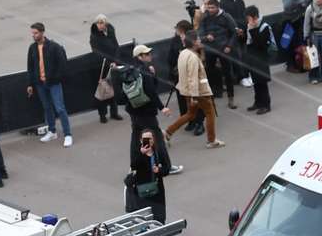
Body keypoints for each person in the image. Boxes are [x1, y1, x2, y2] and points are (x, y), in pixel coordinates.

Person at [116, 45, 179, 175]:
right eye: (146, 54)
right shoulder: (144, 70)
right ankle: (166, 167)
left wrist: (152, 75)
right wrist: (162, 107)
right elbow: (151, 91)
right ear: (140, 56)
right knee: (157, 138)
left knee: (136, 139)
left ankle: (134, 167)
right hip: (146, 111)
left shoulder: (130, 69)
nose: (150, 55)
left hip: (134, 110)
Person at [164, 33, 223, 149]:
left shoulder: (183, 53)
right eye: (199, 39)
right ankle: (211, 141)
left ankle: (168, 132)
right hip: (199, 93)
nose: (200, 41)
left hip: (187, 91)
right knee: (210, 113)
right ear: (194, 42)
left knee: (190, 114)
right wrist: (194, 97)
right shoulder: (193, 58)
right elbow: (193, 78)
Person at [25, 23, 72, 147]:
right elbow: (30, 67)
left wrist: (56, 78)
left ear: (42, 32)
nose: (33, 35)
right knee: (47, 107)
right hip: (40, 83)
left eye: (35, 33)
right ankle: (52, 131)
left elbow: (62, 65)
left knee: (60, 108)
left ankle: (68, 134)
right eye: (32, 33)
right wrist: (30, 84)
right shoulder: (32, 48)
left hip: (53, 83)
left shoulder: (54, 47)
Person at [198, 0, 239, 108]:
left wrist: (229, 46)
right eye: (209, 7)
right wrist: (206, 37)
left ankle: (231, 99)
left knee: (228, 74)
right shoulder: (205, 17)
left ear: (218, 7)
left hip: (223, 49)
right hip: (210, 50)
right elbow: (200, 33)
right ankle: (211, 98)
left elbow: (234, 33)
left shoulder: (226, 17)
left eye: (212, 8)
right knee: (209, 73)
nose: (210, 10)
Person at [127, 129, 170, 222]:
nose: (148, 141)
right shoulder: (138, 152)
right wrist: (142, 154)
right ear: (140, 140)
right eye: (145, 139)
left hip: (157, 191)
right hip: (142, 191)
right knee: (144, 219)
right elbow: (133, 166)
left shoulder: (159, 152)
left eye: (150, 138)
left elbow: (167, 168)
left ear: (153, 139)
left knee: (159, 217)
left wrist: (159, 170)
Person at [89, 14, 123, 123]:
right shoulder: (94, 36)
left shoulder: (111, 31)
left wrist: (115, 61)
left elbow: (116, 46)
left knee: (113, 88)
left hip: (113, 64)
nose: (100, 25)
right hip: (102, 66)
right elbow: (97, 53)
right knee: (103, 89)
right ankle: (102, 115)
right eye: (98, 23)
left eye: (102, 23)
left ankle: (114, 112)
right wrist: (109, 63)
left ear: (106, 23)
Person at [244, 6, 275, 114]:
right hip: (252, 58)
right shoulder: (249, 26)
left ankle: (266, 105)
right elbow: (247, 42)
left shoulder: (264, 27)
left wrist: (253, 29)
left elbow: (260, 44)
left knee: (262, 82)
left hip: (261, 58)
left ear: (255, 17)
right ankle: (258, 102)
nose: (247, 20)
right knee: (255, 82)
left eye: (249, 18)